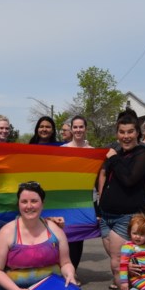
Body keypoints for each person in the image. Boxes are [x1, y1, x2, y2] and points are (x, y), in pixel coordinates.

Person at [98, 110, 145, 290]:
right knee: (117, 265)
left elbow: (129, 179)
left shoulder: (143, 153)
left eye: (130, 132)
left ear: (138, 133)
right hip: (108, 216)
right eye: (122, 132)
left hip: (126, 217)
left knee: (119, 264)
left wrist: (113, 159)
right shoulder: (118, 154)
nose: (126, 136)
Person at [60, 115, 96, 271]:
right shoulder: (62, 150)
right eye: (75, 127)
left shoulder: (93, 152)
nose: (78, 130)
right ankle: (64, 269)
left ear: (86, 129)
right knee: (63, 236)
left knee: (78, 238)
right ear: (71, 129)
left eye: (81, 127)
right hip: (66, 200)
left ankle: (73, 271)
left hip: (84, 200)